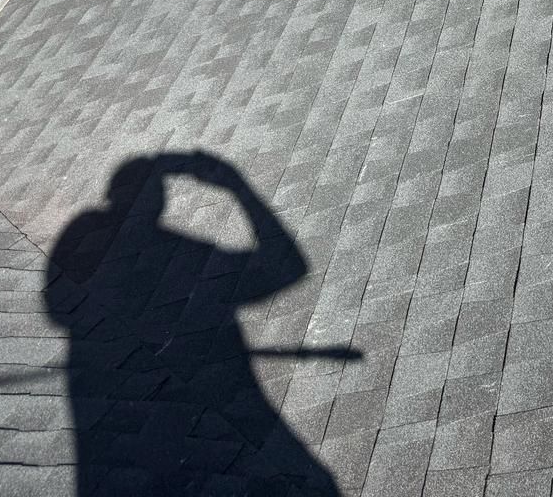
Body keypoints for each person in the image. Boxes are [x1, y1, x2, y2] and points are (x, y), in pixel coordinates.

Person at [44, 151, 339, 495]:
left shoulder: (125, 259)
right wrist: (237, 186)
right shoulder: (178, 254)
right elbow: (286, 267)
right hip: (222, 437)